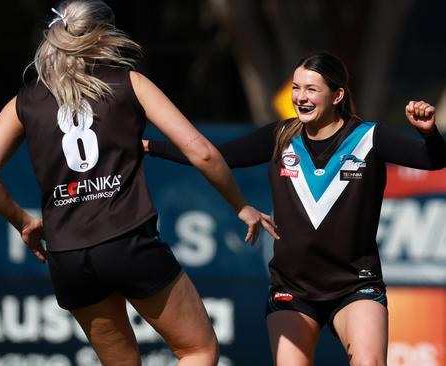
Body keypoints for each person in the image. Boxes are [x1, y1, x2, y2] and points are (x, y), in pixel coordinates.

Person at [0, 1, 277, 364]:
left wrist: (24, 223)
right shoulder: (129, 83)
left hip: (68, 254)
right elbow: (203, 153)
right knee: (198, 349)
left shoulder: (25, 101)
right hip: (127, 238)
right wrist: (241, 206)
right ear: (101, 37)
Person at [145, 51, 446, 366]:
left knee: (369, 362)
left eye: (311, 89)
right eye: (296, 88)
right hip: (293, 290)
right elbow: (212, 154)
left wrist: (429, 133)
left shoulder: (369, 138)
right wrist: (152, 147)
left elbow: (433, 161)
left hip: (356, 284)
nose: (300, 97)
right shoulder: (279, 136)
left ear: (337, 95)